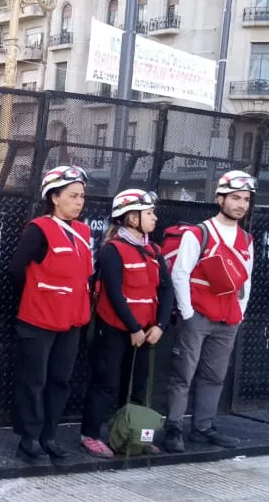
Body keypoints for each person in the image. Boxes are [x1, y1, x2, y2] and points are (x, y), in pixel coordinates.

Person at [163, 170, 256, 452]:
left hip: (228, 319)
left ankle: (203, 428)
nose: (241, 204)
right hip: (198, 316)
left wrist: (239, 311)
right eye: (235, 198)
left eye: (246, 199)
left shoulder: (246, 240)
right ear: (220, 198)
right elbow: (180, 273)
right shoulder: (199, 233)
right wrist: (188, 313)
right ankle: (174, 427)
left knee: (214, 376)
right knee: (183, 375)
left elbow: (247, 280)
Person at [79, 189, 174, 458]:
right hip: (115, 330)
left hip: (146, 331)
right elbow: (114, 293)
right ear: (132, 219)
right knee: (106, 383)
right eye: (149, 213)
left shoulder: (154, 250)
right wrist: (133, 328)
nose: (155, 218)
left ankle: (130, 433)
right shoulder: (113, 250)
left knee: (139, 385)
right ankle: (90, 434)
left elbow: (167, 290)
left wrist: (160, 326)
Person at [9, 165, 92, 462]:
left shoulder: (83, 231)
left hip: (71, 320)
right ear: (54, 198)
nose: (79, 201)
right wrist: (40, 294)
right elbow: (17, 270)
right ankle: (28, 439)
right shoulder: (38, 229)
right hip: (38, 319)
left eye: (82, 196)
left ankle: (49, 435)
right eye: (72, 196)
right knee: (34, 381)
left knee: (60, 381)